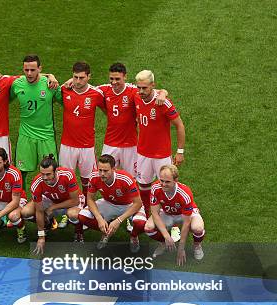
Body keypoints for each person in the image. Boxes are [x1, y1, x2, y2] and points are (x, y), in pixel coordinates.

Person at [55, 61, 105, 227]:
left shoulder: (96, 94)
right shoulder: (64, 89)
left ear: (88, 77)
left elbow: (109, 109)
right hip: (67, 145)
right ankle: (65, 212)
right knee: (64, 179)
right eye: (75, 77)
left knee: (87, 180)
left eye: (81, 78)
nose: (77, 81)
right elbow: (47, 81)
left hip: (86, 146)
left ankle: (85, 209)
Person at [134, 70, 186, 216]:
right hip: (143, 152)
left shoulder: (163, 103)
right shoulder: (136, 96)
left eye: (145, 88)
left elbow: (179, 125)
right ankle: (147, 212)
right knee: (143, 185)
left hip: (161, 155)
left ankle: (174, 218)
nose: (141, 91)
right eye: (139, 87)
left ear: (152, 86)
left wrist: (180, 152)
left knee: (167, 186)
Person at [77, 154, 146, 252]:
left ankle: (134, 236)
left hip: (129, 205)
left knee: (141, 224)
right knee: (82, 216)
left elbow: (138, 203)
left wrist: (118, 220)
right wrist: (99, 218)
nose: (101, 174)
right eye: (100, 170)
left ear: (114, 169)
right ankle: (106, 231)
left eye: (105, 171)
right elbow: (90, 199)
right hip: (108, 203)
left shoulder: (126, 178)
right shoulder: (94, 176)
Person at [11, 55, 61, 188]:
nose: (29, 73)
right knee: (21, 172)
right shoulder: (17, 83)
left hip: (46, 136)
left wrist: (51, 76)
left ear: (40, 68)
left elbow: (67, 101)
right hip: (26, 135)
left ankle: (51, 200)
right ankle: (20, 200)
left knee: (51, 172)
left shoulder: (50, 84)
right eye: (26, 70)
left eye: (33, 70)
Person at [21, 155, 84, 255]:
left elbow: (75, 201)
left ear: (56, 171)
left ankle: (78, 233)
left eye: (48, 174)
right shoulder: (37, 183)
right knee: (25, 212)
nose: (45, 178)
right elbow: (39, 210)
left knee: (73, 214)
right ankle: (47, 224)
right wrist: (41, 237)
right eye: (42, 174)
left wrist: (53, 207)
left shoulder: (68, 175)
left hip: (70, 201)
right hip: (51, 199)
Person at [143, 164, 205, 265]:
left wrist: (181, 248)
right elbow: (154, 213)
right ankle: (163, 243)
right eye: (161, 180)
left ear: (176, 180)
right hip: (167, 213)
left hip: (184, 215)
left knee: (198, 228)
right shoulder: (155, 188)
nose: (163, 184)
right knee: (148, 227)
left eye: (167, 181)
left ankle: (197, 244)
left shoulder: (184, 193)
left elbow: (186, 222)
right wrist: (167, 236)